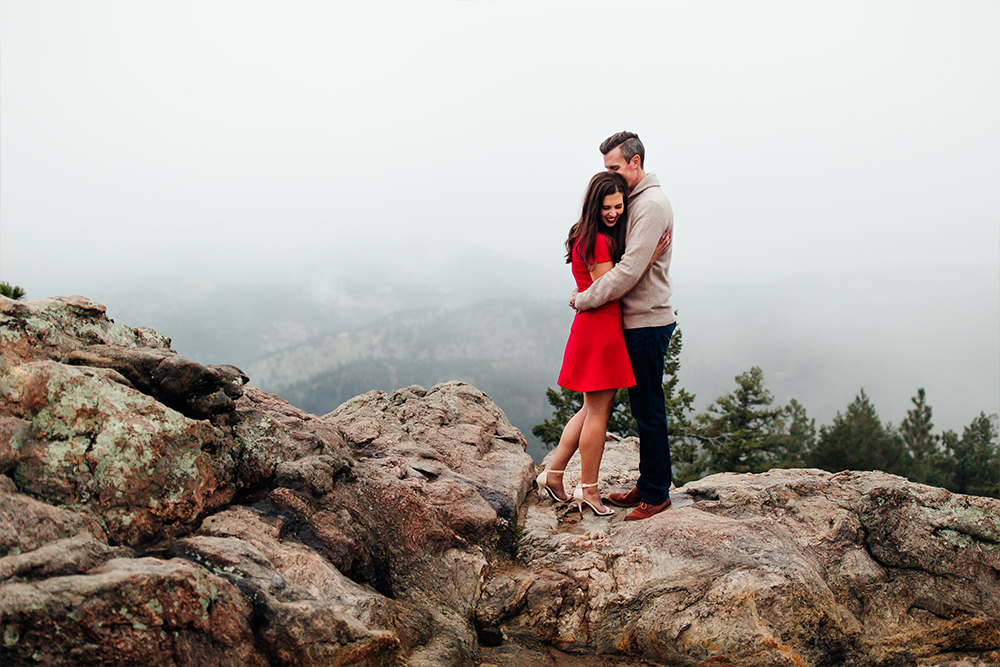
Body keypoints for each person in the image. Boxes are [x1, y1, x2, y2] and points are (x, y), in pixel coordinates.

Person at [537, 171, 669, 517]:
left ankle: (553, 474)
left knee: (587, 409)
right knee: (598, 411)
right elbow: (613, 286)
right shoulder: (596, 241)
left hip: (595, 327)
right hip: (602, 328)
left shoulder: (586, 235)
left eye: (619, 205)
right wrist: (648, 259)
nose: (614, 212)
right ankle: (590, 491)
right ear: (595, 205)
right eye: (608, 206)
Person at [570, 131, 676, 522]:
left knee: (648, 410)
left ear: (635, 162)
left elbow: (629, 270)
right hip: (636, 319)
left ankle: (657, 494)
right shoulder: (635, 200)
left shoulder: (649, 205)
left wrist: (584, 298)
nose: (610, 174)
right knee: (641, 407)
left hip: (647, 320)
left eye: (614, 167)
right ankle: (648, 485)